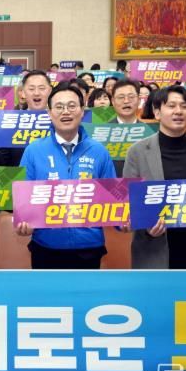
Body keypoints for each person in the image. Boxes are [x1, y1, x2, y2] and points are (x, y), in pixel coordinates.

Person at [15, 83, 116, 269]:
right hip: (45, 247)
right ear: (49, 112)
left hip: (90, 247)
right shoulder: (34, 151)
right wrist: (24, 222)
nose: (66, 112)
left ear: (82, 111)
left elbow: (114, 198)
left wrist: (125, 221)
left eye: (72, 106)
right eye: (59, 107)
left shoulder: (99, 151)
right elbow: (23, 201)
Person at [123, 85, 186, 269]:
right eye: (171, 106)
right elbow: (128, 203)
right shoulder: (137, 151)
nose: (178, 111)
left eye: (184, 106)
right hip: (153, 248)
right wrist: (146, 227)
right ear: (157, 112)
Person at [0, 70, 52, 167]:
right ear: (23, 92)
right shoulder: (9, 122)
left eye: (42, 88)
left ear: (50, 90)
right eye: (31, 89)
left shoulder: (60, 120)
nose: (36, 93)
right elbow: (2, 160)